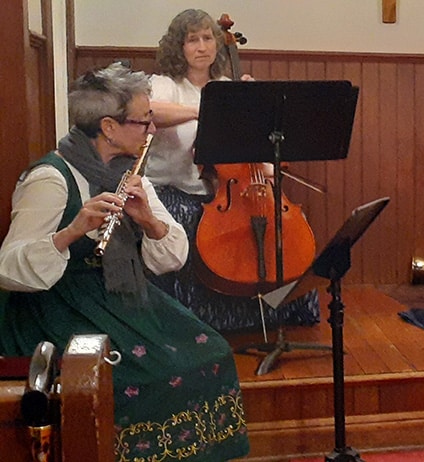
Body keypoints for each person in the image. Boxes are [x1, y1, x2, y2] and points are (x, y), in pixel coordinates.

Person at [0, 63, 250, 461]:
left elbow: (173, 257)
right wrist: (73, 230)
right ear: (109, 127)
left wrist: (148, 220)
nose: (152, 131)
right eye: (143, 121)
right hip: (58, 305)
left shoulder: (131, 174)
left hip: (118, 294)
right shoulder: (51, 178)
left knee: (214, 351)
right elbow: (8, 268)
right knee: (144, 375)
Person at [147, 8, 319, 332]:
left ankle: (276, 314)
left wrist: (252, 106)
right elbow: (151, 111)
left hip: (230, 189)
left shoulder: (228, 84)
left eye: (208, 37)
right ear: (178, 47)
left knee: (283, 224)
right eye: (192, 39)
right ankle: (202, 323)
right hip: (175, 187)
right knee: (186, 224)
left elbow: (251, 142)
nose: (202, 46)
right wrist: (206, 108)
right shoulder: (165, 84)